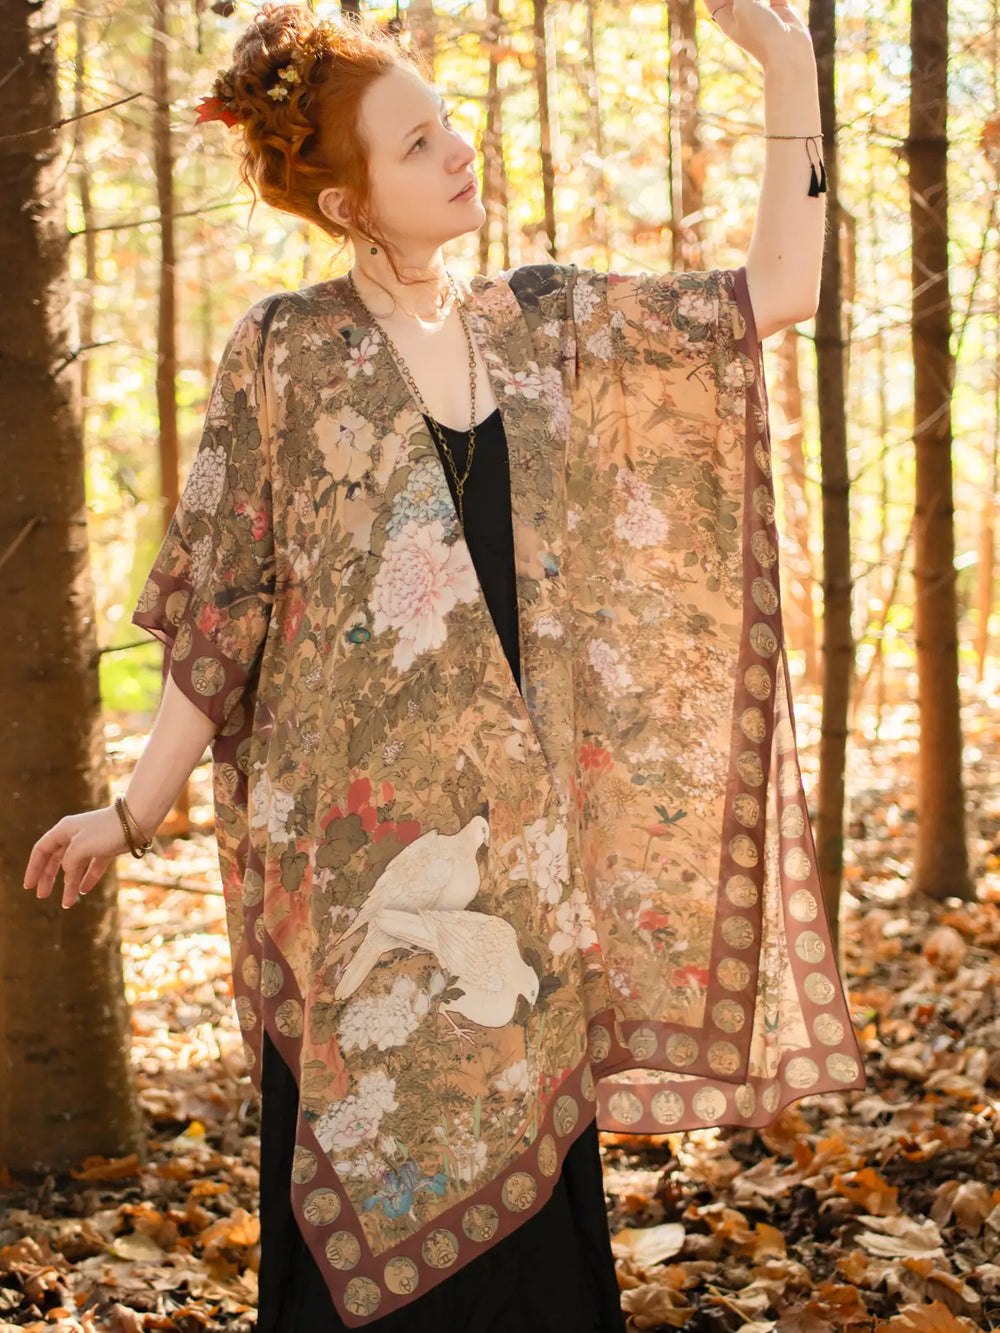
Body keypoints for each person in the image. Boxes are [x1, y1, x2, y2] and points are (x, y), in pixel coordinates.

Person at [24, 2, 866, 1328]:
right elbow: (219, 613)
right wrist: (133, 809)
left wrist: (791, 66)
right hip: (355, 914)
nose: (459, 150)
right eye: (421, 144)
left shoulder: (541, 325)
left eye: (449, 120)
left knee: (531, 1273)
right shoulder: (283, 352)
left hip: (518, 899)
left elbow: (785, 286)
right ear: (354, 198)